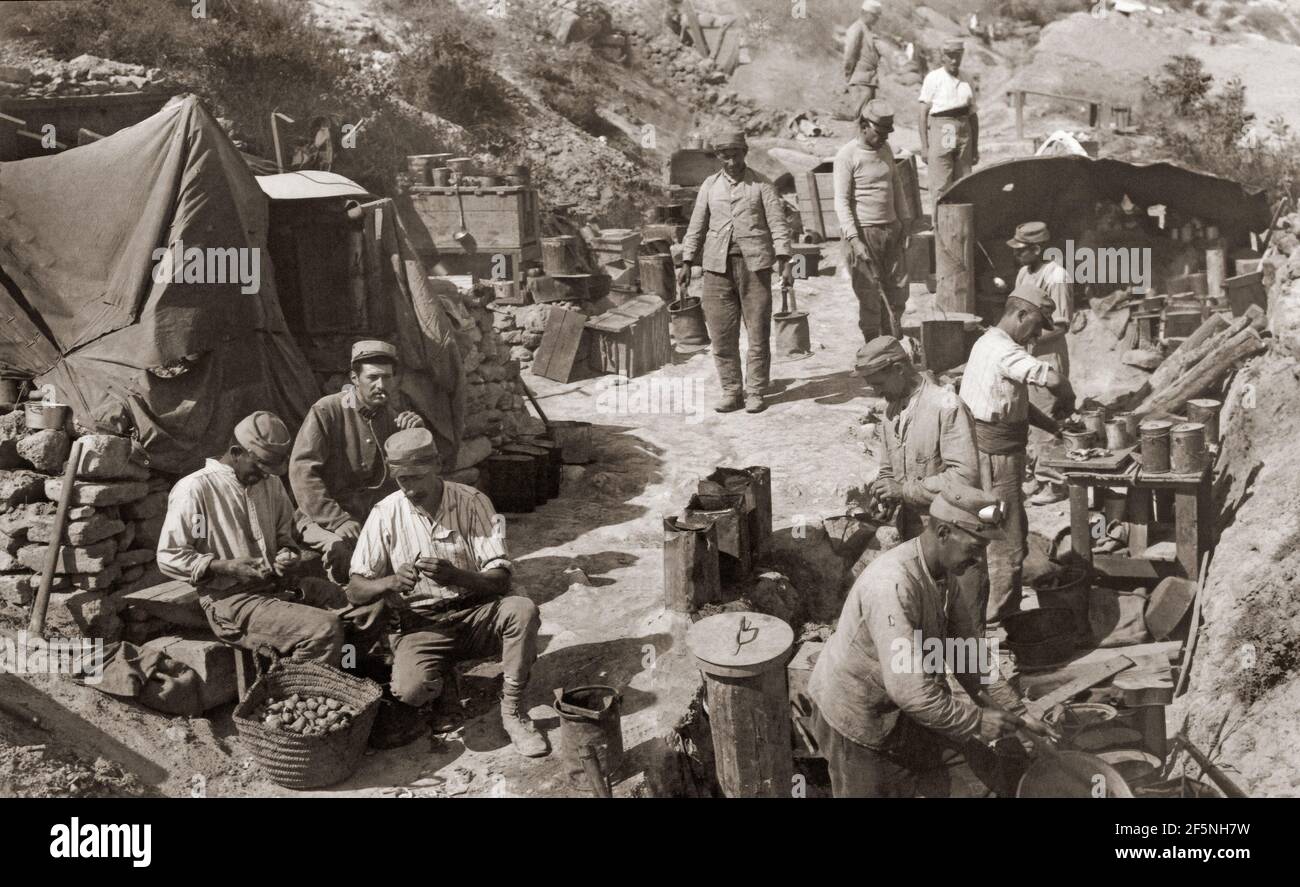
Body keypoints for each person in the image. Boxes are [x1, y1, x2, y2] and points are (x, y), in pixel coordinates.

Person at [805, 483, 1051, 797]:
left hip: (904, 710)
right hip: (857, 718)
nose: (978, 560)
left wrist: (1018, 712)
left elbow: (967, 655)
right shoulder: (893, 585)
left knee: (978, 773)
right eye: (974, 548)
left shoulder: (944, 573)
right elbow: (909, 690)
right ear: (944, 533)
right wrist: (976, 721)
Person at [346, 428, 549, 758]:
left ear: (437, 465)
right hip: (421, 623)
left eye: (416, 477)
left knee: (522, 611)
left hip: (476, 613)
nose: (409, 488)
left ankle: (512, 711)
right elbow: (355, 589)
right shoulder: (384, 513)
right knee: (409, 690)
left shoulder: (475, 502)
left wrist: (457, 576)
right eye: (401, 480)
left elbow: (500, 579)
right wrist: (389, 583)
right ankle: (444, 684)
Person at [157, 411, 349, 664]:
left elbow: (286, 535)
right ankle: (298, 693)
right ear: (236, 452)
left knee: (353, 606)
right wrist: (225, 567)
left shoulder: (270, 484)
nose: (265, 474)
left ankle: (348, 672)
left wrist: (286, 554)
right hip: (230, 601)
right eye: (259, 465)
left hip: (276, 587)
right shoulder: (196, 489)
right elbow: (170, 555)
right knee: (326, 627)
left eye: (271, 468)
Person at [958, 283, 1075, 628]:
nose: (1037, 334)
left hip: (988, 454)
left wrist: (1053, 426)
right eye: (1036, 325)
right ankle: (1000, 623)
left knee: (1010, 529)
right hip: (995, 460)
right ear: (1020, 314)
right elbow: (1051, 378)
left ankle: (991, 610)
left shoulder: (988, 343)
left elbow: (1014, 405)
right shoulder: (1005, 351)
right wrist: (1067, 395)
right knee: (1005, 542)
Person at [290, 340, 425, 584]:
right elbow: (303, 472)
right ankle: (349, 610)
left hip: (369, 517)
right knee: (341, 551)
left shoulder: (392, 417)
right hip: (322, 518)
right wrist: (337, 519)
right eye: (372, 377)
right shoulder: (327, 410)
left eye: (387, 377)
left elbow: (407, 475)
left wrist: (415, 436)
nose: (381, 385)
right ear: (355, 377)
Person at [679, 127, 792, 414]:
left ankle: (755, 391)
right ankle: (731, 390)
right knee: (721, 334)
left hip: (755, 268)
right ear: (718, 156)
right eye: (725, 156)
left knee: (757, 334)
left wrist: (785, 260)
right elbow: (696, 226)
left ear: (745, 153)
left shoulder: (762, 185)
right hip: (716, 269)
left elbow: (779, 225)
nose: (731, 162)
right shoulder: (709, 186)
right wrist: (687, 261)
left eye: (736, 155)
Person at [857, 335, 979, 541]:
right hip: (912, 530)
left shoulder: (947, 406)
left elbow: (965, 478)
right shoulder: (891, 412)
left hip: (950, 532)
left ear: (898, 369)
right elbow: (888, 468)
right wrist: (886, 496)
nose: (876, 392)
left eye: (878, 383)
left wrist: (904, 491)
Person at [1008, 222, 1077, 506]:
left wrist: (1027, 337)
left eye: (1021, 250)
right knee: (1026, 418)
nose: (1017, 255)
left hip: (1047, 354)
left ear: (1037, 249)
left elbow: (1061, 325)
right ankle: (1036, 474)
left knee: (1047, 420)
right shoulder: (1024, 272)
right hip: (1025, 353)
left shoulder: (1057, 276)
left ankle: (1056, 482)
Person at [834, 99, 910, 342]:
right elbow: (841, 201)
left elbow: (896, 186)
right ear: (864, 126)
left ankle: (892, 341)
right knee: (869, 293)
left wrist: (904, 222)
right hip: (865, 233)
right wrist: (854, 240)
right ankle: (873, 347)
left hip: (892, 230)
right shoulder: (847, 156)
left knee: (897, 290)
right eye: (880, 132)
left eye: (888, 132)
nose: (884, 138)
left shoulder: (885, 150)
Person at [918, 37, 979, 216]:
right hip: (943, 127)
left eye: (958, 56)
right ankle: (939, 230)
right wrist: (924, 146)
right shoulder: (934, 78)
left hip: (964, 127)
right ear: (943, 57)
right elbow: (922, 114)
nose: (954, 60)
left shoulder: (967, 78)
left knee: (964, 182)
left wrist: (974, 147)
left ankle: (963, 231)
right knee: (941, 184)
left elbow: (973, 115)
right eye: (950, 56)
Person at [841, 0, 885, 118]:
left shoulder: (867, 29)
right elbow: (850, 55)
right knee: (861, 119)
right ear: (865, 13)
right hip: (861, 79)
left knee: (868, 120)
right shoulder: (857, 28)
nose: (877, 19)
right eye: (874, 16)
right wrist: (848, 76)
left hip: (869, 80)